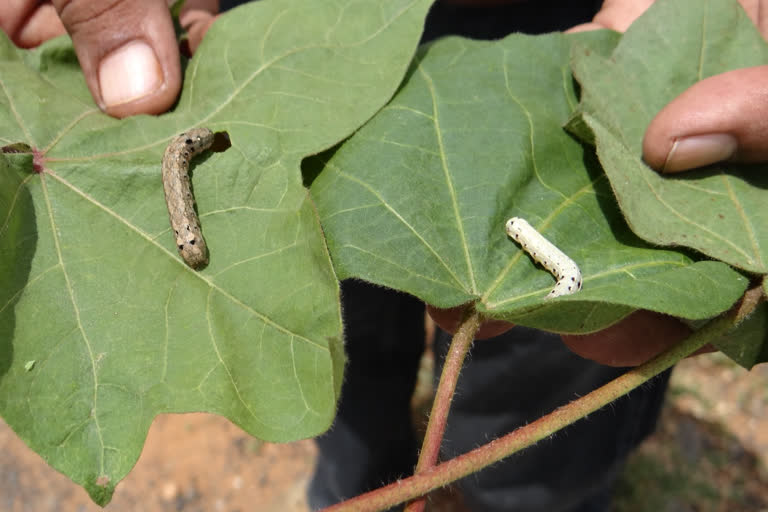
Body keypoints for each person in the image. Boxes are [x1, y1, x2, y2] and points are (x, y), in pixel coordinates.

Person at [2, 1, 765, 510]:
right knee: (343, 340)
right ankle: (359, 480)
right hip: (276, 56)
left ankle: (509, 489)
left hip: (579, 43)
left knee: (533, 410)